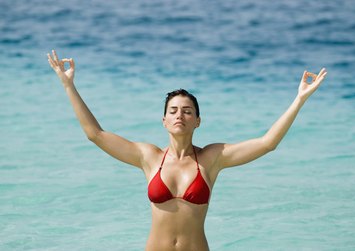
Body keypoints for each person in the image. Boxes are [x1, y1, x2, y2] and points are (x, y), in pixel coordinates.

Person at [47, 50, 327, 251]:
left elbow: (268, 143)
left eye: (187, 111)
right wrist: (68, 85)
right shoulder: (149, 157)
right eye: (173, 111)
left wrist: (299, 99)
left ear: (198, 120)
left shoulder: (211, 158)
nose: (180, 115)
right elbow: (95, 134)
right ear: (164, 120)